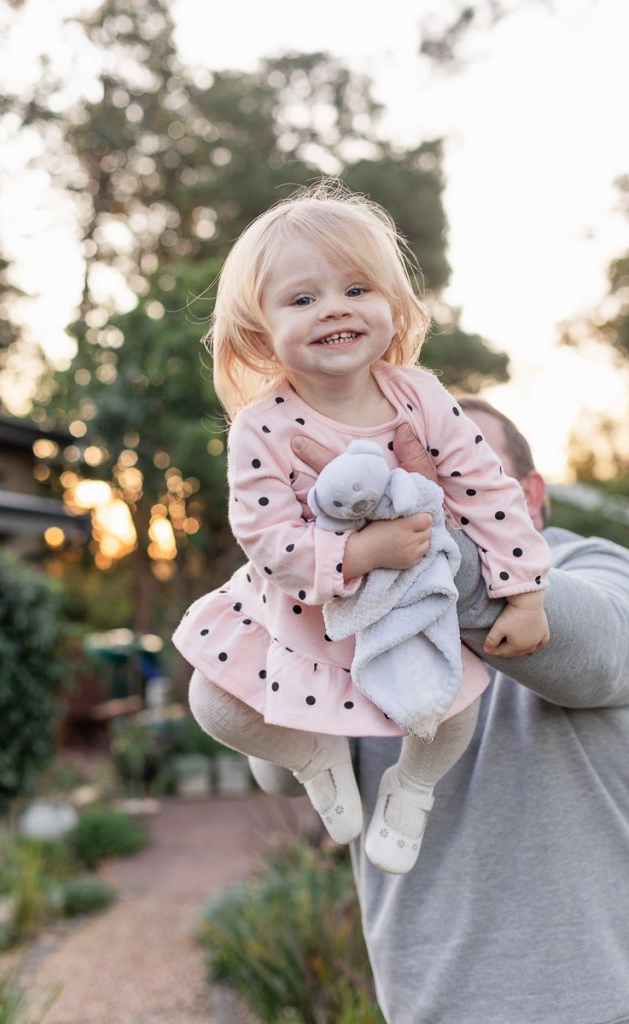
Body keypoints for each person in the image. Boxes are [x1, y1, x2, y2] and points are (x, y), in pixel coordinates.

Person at [173, 180, 550, 874]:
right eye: (302, 298)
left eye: (355, 289)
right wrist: (357, 550)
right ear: (261, 332)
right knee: (212, 698)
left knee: (451, 707)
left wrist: (523, 592)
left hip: (407, 600)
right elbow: (262, 534)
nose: (333, 310)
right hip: (301, 602)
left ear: (392, 305)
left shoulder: (421, 396)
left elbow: (484, 487)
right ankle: (313, 758)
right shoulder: (263, 424)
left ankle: (410, 788)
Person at [252, 400, 629, 1024]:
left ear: (529, 496)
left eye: (459, 466)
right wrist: (296, 575)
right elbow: (274, 773)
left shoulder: (596, 565)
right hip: (426, 1006)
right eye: (398, 463)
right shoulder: (351, 606)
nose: (415, 483)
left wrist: (422, 543)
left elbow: (598, 658)